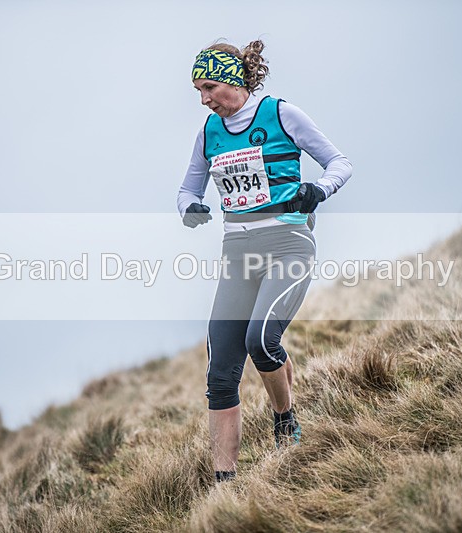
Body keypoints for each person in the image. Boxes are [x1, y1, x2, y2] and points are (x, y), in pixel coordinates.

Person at [177, 39, 352, 483]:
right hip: (238, 256)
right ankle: (225, 484)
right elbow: (187, 189)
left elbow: (339, 162)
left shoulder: (280, 114)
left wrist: (319, 190)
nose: (204, 99)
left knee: (261, 340)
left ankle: (284, 416)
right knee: (220, 373)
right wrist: (190, 209)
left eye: (209, 86)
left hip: (289, 245)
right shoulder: (208, 133)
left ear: (233, 78)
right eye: (198, 90)